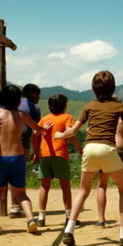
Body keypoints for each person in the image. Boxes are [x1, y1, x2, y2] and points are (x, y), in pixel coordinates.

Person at [55, 70, 123, 246]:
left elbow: (73, 131)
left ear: (93, 89)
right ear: (113, 87)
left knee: (83, 190)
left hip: (89, 148)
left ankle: (69, 229)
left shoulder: (89, 106)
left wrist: (60, 135)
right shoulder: (120, 107)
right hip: (108, 148)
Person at [0, 85, 52, 233]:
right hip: (17, 157)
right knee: (21, 193)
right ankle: (30, 219)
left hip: (0, 157)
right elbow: (37, 128)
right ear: (18, 101)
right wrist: (46, 128)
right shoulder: (22, 115)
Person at [33, 94, 83, 227]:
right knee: (65, 187)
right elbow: (70, 134)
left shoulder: (44, 119)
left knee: (44, 186)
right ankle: (68, 217)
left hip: (44, 154)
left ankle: (41, 217)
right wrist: (79, 148)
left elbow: (35, 134)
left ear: (50, 106)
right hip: (60, 153)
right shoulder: (67, 117)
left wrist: (36, 152)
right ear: (65, 106)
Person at [95, 115, 123, 227]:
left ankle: (101, 220)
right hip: (119, 148)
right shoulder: (122, 116)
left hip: (104, 148)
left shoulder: (102, 115)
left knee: (102, 185)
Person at [10, 84, 41, 218]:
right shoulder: (34, 108)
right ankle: (16, 206)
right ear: (30, 94)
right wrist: (37, 151)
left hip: (7, 140)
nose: (38, 98)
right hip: (23, 142)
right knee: (19, 173)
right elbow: (36, 131)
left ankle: (14, 205)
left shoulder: (14, 103)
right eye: (37, 95)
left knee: (11, 174)